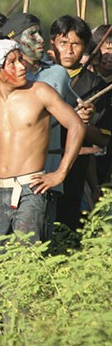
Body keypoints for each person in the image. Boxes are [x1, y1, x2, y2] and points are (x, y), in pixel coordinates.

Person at [0, 38, 85, 244]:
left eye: (21, 59)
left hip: (31, 188)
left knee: (27, 259)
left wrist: (60, 173)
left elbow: (76, 125)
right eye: (12, 62)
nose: (21, 66)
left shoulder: (40, 92)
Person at [49, 15, 111, 229]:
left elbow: (103, 138)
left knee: (67, 228)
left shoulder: (96, 86)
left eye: (75, 44)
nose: (68, 50)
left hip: (75, 171)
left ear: (84, 47)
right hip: (39, 164)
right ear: (52, 45)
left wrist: (82, 124)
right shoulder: (38, 77)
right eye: (63, 43)